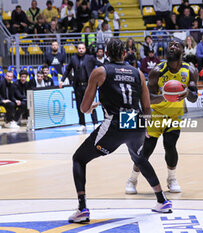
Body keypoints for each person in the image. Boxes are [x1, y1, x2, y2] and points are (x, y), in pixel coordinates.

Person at [68, 38, 173, 222]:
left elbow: (84, 109)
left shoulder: (100, 71)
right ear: (125, 53)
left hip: (115, 124)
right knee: (138, 157)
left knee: (79, 158)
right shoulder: (138, 73)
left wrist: (92, 107)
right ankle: (162, 201)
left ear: (106, 54)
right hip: (134, 120)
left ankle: (82, 208)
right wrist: (147, 126)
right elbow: (147, 106)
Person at [125, 38, 199, 194]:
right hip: (156, 115)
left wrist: (186, 93)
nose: (172, 47)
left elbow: (194, 97)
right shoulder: (157, 71)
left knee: (170, 146)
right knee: (146, 150)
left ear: (183, 51)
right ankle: (132, 179)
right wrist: (165, 97)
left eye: (176, 45)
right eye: (170, 45)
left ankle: (172, 179)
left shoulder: (190, 71)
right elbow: (147, 98)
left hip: (174, 116)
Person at [60, 43, 102, 131]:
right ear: (77, 49)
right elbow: (67, 70)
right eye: (79, 48)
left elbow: (100, 65)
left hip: (89, 85)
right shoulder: (73, 58)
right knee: (79, 105)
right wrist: (62, 80)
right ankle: (82, 124)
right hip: (77, 86)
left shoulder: (90, 58)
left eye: (82, 48)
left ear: (85, 49)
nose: (81, 50)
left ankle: (95, 123)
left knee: (91, 104)